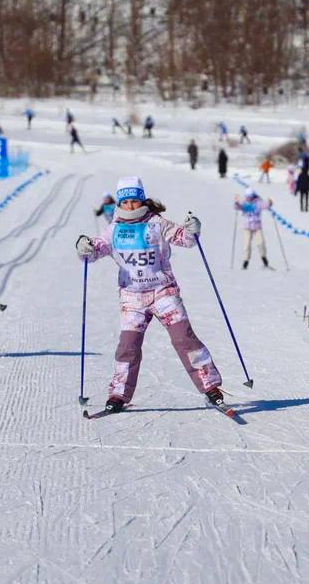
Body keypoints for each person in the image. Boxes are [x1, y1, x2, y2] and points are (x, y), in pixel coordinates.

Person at [74, 177, 223, 414]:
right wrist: (85, 246)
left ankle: (210, 387)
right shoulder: (114, 229)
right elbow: (93, 252)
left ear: (142, 199)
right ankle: (118, 394)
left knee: (184, 339)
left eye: (135, 200)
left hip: (163, 292)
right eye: (126, 201)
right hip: (132, 298)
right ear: (120, 203)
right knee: (128, 347)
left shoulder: (157, 223)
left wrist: (193, 228)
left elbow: (185, 238)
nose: (131, 206)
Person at [235, 188, 274, 269]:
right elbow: (238, 207)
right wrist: (237, 204)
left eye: (250, 197)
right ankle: (246, 261)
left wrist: (269, 202)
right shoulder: (245, 203)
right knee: (246, 244)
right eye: (247, 197)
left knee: (261, 243)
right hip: (247, 227)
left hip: (257, 227)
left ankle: (264, 258)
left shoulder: (258, 203)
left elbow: (265, 205)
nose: (248, 198)